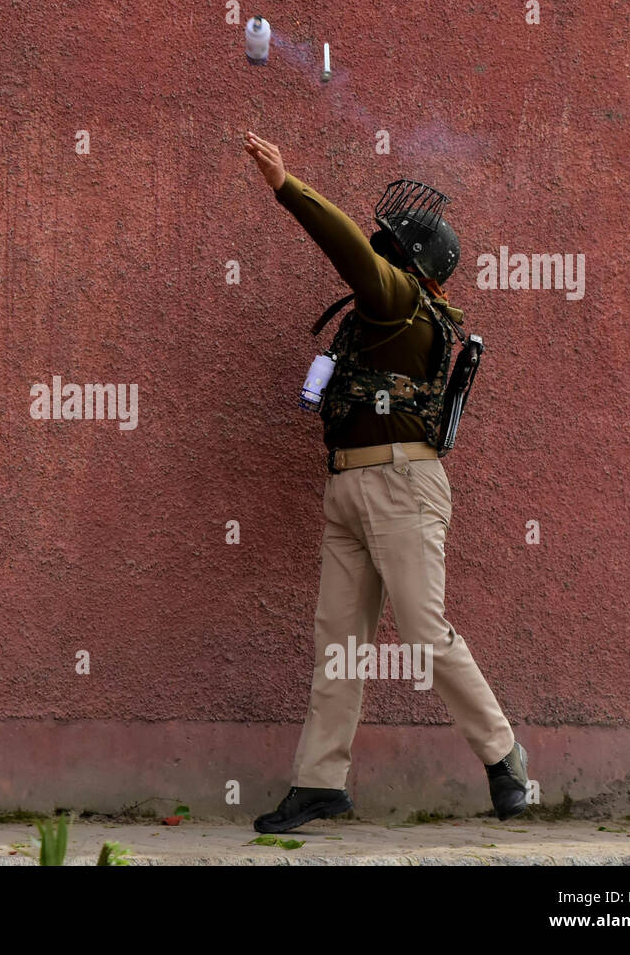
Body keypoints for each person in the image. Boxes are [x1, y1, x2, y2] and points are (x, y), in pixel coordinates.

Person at [243, 131, 528, 831]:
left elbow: (345, 249)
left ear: (409, 264)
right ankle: (320, 782)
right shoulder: (380, 313)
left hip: (402, 485)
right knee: (337, 638)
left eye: (388, 246)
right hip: (349, 487)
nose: (377, 251)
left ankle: (502, 757)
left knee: (425, 632)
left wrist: (289, 187)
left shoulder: (401, 301)